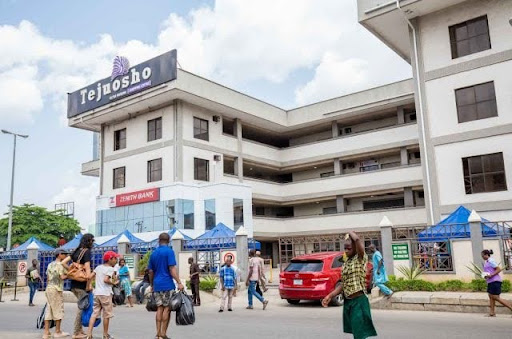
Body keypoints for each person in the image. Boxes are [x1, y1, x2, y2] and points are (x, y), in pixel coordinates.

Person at [322, 232, 377, 339]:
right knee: (356, 333)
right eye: (345, 248)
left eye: (349, 248)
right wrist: (329, 296)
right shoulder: (346, 263)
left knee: (359, 335)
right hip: (348, 302)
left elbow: (356, 240)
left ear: (355, 248)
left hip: (359, 301)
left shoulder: (360, 258)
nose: (346, 251)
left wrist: (349, 232)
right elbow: (343, 284)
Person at [148, 233, 184, 339]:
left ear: (159, 240)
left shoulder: (153, 253)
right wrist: (179, 282)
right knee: (167, 309)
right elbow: (172, 269)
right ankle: (163, 333)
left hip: (157, 285)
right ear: (168, 241)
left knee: (159, 308)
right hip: (167, 284)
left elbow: (150, 271)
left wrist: (152, 284)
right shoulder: (169, 251)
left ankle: (158, 333)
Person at [87, 250, 119, 339]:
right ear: (110, 259)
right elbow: (106, 280)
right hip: (105, 294)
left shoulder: (98, 267)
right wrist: (114, 283)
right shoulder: (110, 269)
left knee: (95, 313)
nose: (116, 260)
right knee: (106, 315)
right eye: (115, 258)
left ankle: (89, 334)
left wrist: (89, 285)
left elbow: (90, 277)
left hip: (97, 293)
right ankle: (105, 335)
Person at [69, 233, 94, 339]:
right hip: (81, 284)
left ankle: (80, 330)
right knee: (82, 307)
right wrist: (89, 278)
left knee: (82, 305)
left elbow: (63, 263)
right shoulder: (87, 252)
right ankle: (75, 333)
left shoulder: (75, 251)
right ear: (88, 241)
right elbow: (88, 267)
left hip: (74, 283)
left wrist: (73, 270)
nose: (93, 242)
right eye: (92, 240)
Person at [43, 249, 71, 339]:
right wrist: (70, 275)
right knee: (58, 309)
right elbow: (62, 277)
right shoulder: (60, 265)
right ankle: (57, 331)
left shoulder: (50, 264)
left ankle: (46, 332)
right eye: (64, 254)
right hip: (56, 289)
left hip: (49, 288)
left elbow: (47, 278)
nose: (66, 256)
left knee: (49, 309)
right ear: (59, 255)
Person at [481, 249, 512, 317]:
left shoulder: (491, 261)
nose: (482, 257)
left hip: (495, 281)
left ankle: (511, 307)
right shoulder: (487, 261)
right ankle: (492, 312)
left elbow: (498, 269)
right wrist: (485, 276)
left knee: (495, 297)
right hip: (490, 281)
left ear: (486, 255)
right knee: (490, 296)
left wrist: (491, 275)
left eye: (483, 255)